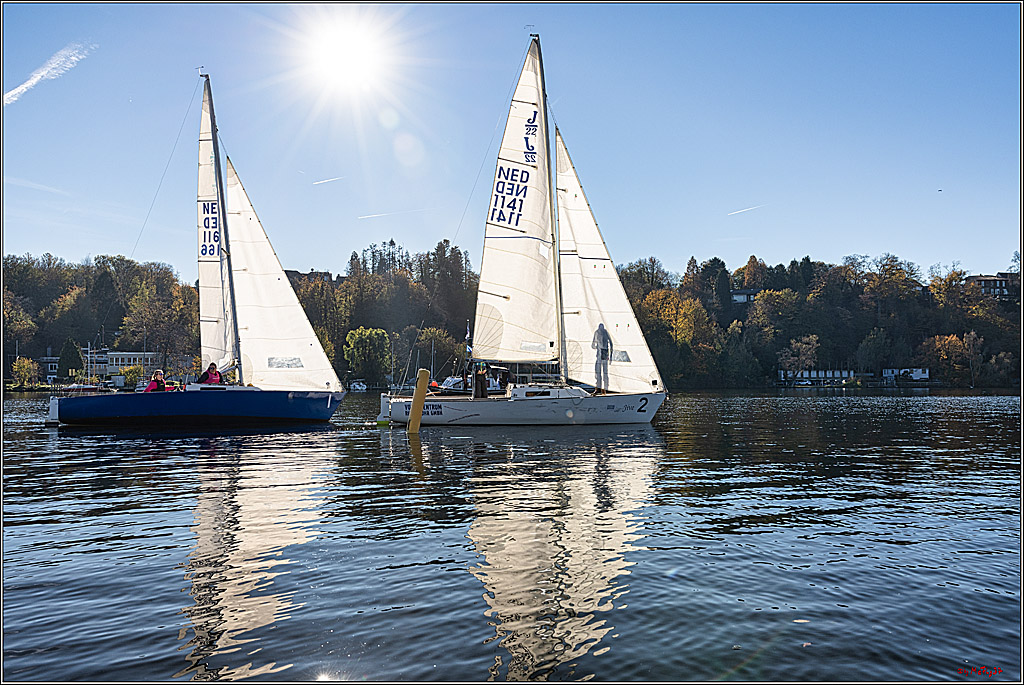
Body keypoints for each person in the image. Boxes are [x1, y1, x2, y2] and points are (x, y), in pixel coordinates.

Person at [592, 323, 613, 395]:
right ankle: (599, 388)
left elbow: (611, 343)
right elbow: (593, 344)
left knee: (604, 372)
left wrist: (611, 356)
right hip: (600, 352)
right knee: (598, 371)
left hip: (604, 352)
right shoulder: (597, 332)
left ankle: (605, 388)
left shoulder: (604, 332)